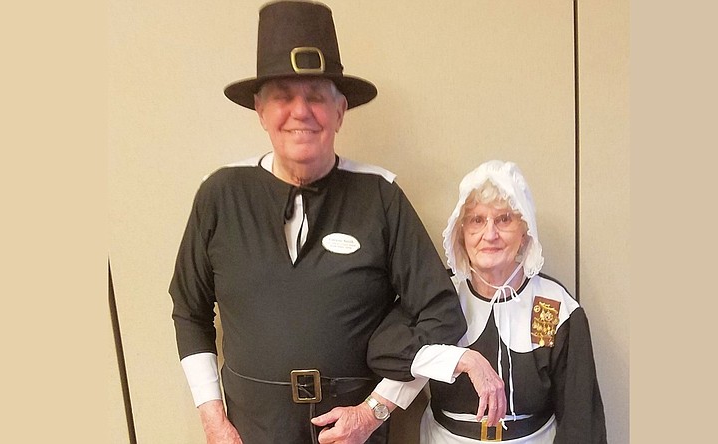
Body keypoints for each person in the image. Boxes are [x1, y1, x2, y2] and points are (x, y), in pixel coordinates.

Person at [169, 2, 504, 443]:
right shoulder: (220, 194)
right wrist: (213, 418)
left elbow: (440, 317)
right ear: (260, 110)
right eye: (283, 96)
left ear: (340, 109)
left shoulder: (380, 196)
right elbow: (189, 311)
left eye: (315, 96)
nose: (300, 111)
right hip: (251, 431)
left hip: (353, 435)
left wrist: (375, 411)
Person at [373, 160, 607, 443]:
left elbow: (581, 419)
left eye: (504, 219)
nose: (490, 234)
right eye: (476, 220)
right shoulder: (436, 295)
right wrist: (460, 359)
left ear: (525, 233)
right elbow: (383, 350)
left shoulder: (559, 307)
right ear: (461, 233)